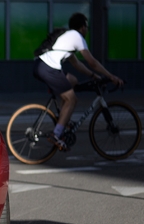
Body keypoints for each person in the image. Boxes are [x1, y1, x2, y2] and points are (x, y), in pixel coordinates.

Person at [33, 12, 124, 151]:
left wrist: (93, 76)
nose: (87, 30)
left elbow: (77, 64)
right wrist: (111, 76)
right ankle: (56, 134)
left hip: (41, 65)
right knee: (72, 99)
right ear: (83, 27)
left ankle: (63, 119)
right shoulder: (77, 36)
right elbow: (91, 61)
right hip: (48, 67)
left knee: (73, 81)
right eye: (87, 27)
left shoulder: (69, 37)